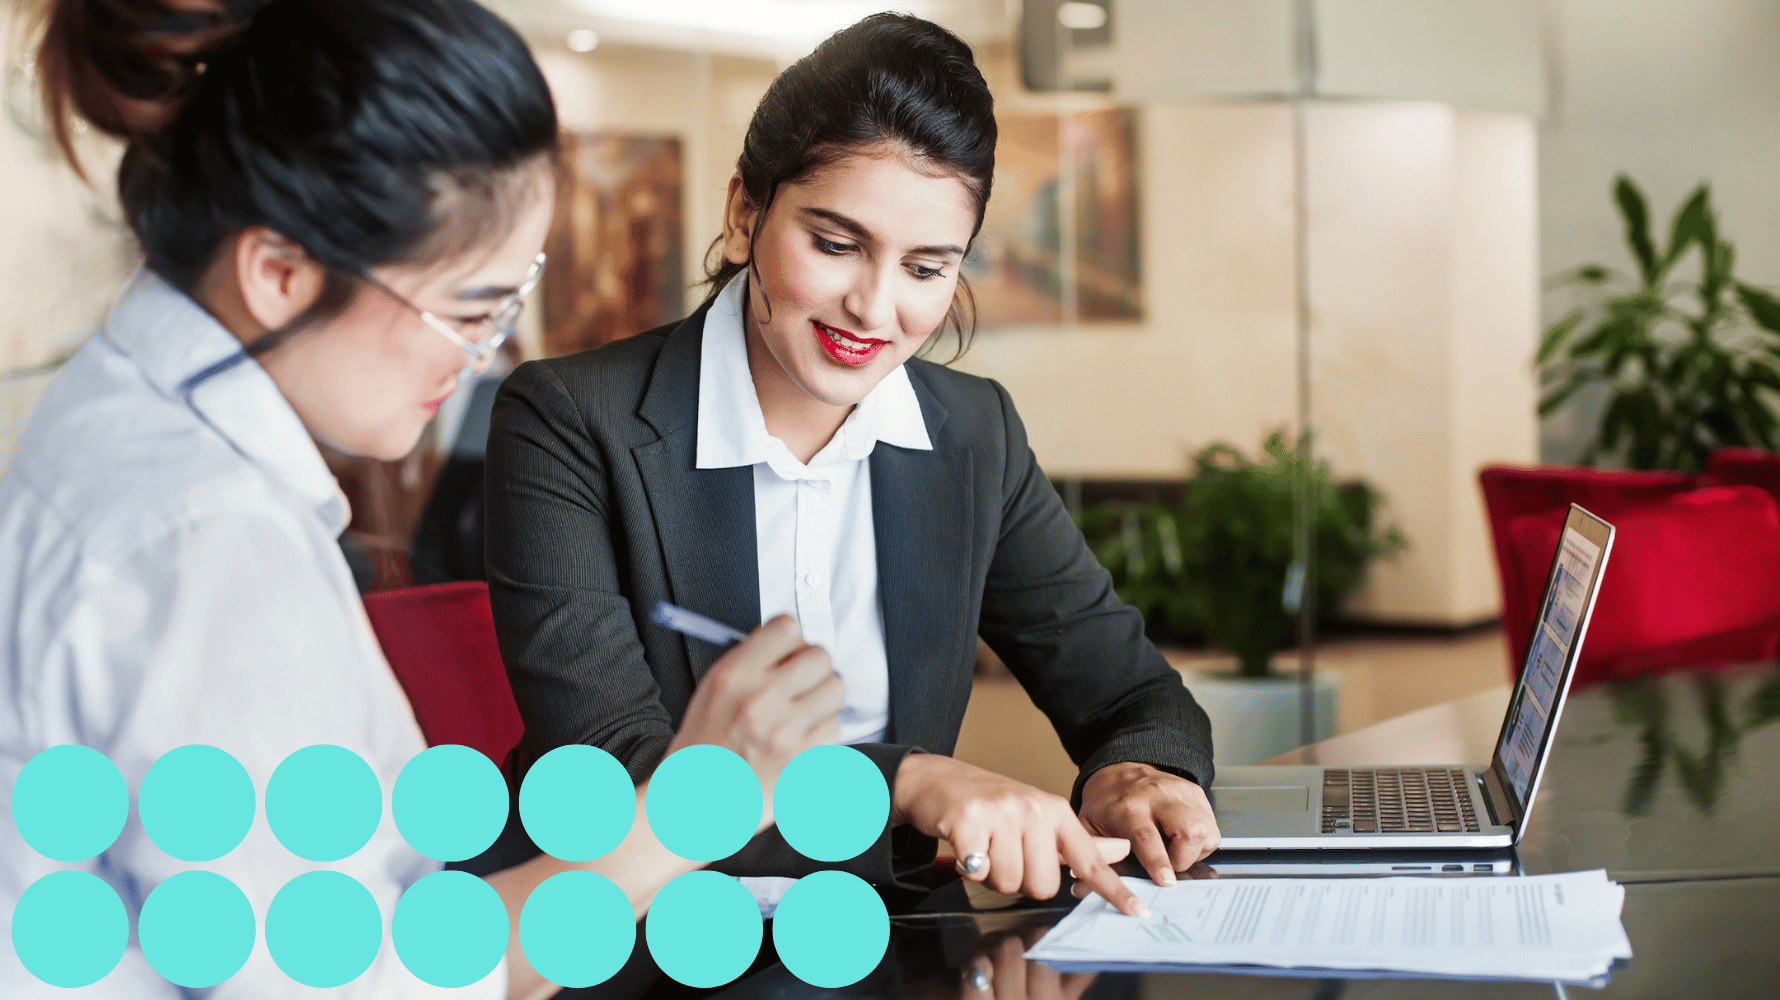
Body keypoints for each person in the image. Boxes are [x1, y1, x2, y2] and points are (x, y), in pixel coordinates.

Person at [0, 1, 840, 997]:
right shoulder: (213, 545)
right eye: (466, 311)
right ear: (278, 273)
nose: (480, 359)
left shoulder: (115, 414)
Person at [484, 12, 1221, 922]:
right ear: (746, 212)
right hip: (636, 936)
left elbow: (1133, 692)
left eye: (926, 267)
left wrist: (1141, 775)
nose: (875, 308)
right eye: (835, 245)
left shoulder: (972, 434)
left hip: (882, 932)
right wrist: (912, 782)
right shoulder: (568, 419)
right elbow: (610, 767)